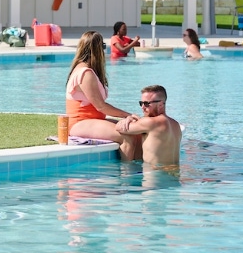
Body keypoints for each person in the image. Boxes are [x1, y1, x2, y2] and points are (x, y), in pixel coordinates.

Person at [65, 31, 141, 160]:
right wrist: (127, 115)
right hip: (80, 123)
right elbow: (101, 107)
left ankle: (139, 171)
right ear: (97, 49)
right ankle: (126, 176)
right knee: (126, 136)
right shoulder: (85, 73)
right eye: (103, 47)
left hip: (92, 121)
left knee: (136, 131)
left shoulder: (88, 70)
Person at [115, 85, 182, 167]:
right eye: (141, 103)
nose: (142, 107)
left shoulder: (150, 122)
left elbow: (119, 127)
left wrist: (128, 119)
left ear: (160, 104)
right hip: (174, 177)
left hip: (154, 177)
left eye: (146, 104)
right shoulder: (175, 124)